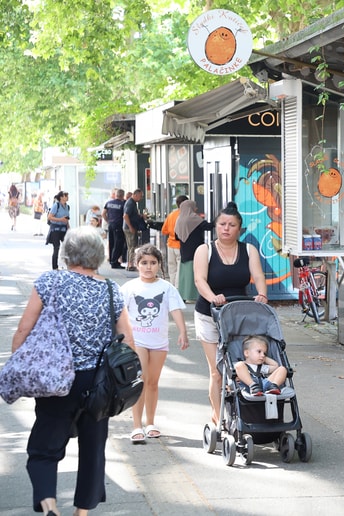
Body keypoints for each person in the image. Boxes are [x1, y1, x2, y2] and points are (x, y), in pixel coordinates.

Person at [12, 226, 134, 516]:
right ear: (100, 256)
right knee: (93, 451)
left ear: (67, 253)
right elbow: (127, 340)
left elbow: (23, 329)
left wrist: (19, 366)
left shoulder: (49, 282)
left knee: (43, 448)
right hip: (98, 384)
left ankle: (49, 504)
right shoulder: (110, 290)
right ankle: (82, 513)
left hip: (56, 380)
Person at [193, 202, 268, 425]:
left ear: (239, 229)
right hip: (210, 313)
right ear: (216, 226)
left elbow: (259, 276)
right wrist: (212, 297)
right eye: (222, 224)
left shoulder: (248, 250)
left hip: (239, 314)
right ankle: (219, 418)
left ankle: (242, 412)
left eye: (232, 225)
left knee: (241, 366)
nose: (226, 228)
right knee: (217, 371)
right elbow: (199, 280)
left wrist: (262, 295)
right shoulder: (204, 250)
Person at [120, 244, 189, 443]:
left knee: (152, 383)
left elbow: (175, 310)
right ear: (136, 264)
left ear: (159, 264)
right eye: (144, 263)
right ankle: (136, 426)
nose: (148, 267)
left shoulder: (166, 288)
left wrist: (183, 332)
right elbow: (120, 314)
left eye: (152, 263)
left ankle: (150, 423)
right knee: (140, 381)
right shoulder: (130, 288)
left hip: (159, 342)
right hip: (137, 341)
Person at [174, 199, 212, 301]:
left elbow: (176, 236)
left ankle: (184, 295)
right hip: (195, 250)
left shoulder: (179, 219)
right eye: (194, 207)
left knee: (185, 275)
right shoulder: (194, 219)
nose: (196, 208)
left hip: (184, 250)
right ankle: (193, 295)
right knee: (195, 273)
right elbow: (209, 226)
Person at [160, 194, 188, 288]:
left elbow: (164, 230)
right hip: (180, 245)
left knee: (172, 268)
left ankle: (171, 286)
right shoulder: (185, 215)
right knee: (180, 268)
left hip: (170, 244)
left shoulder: (171, 215)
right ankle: (177, 287)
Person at [123, 189, 147, 272]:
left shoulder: (132, 203)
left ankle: (130, 263)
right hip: (129, 227)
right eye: (140, 196)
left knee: (132, 245)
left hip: (130, 226)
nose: (141, 198)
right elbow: (125, 216)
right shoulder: (130, 203)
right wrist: (130, 227)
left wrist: (139, 216)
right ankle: (130, 264)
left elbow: (131, 215)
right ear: (135, 195)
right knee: (132, 245)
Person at [46, 191, 70, 270]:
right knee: (56, 247)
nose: (67, 197)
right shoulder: (56, 206)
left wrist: (69, 228)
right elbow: (49, 217)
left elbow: (66, 219)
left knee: (68, 246)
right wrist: (60, 219)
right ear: (61, 197)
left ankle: (70, 265)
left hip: (63, 228)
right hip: (55, 229)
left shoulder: (67, 206)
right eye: (66, 196)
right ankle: (55, 267)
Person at [103, 188, 126, 269]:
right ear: (122, 195)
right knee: (118, 244)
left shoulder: (108, 203)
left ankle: (111, 260)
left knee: (111, 242)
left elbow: (103, 213)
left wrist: (108, 221)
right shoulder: (123, 204)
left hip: (111, 225)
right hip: (118, 225)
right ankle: (114, 262)